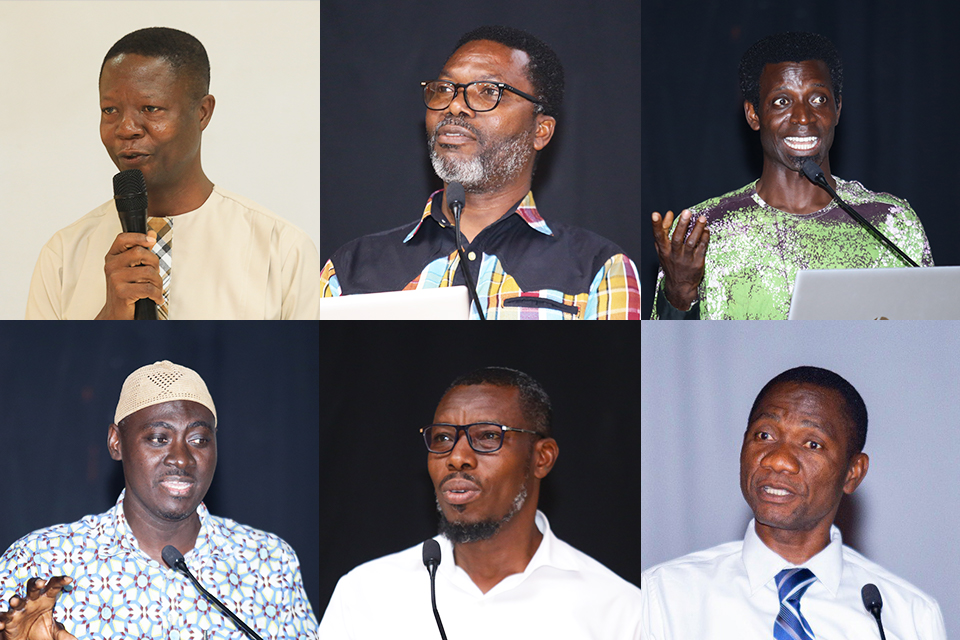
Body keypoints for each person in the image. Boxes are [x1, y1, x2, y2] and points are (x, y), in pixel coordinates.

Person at [320, 26, 640, 319]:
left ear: (540, 131)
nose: (455, 106)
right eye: (445, 88)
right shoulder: (351, 268)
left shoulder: (598, 268)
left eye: (488, 91)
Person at [0, 360, 319, 639]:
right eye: (158, 438)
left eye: (198, 440)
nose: (181, 458)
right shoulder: (40, 560)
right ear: (116, 443)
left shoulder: (269, 562)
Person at [320, 367, 641, 637]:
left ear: (542, 458)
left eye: (488, 436)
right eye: (443, 438)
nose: (457, 457)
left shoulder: (618, 609)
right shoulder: (366, 593)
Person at [26, 27, 321, 320]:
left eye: (150, 108)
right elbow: (38, 368)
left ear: (202, 112)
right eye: (110, 110)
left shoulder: (282, 250)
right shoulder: (63, 255)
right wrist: (110, 321)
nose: (126, 128)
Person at [640, 366, 945, 638]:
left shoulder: (909, 616)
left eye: (812, 443)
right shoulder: (663, 596)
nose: (778, 459)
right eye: (764, 435)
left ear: (853, 473)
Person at [650, 32, 933, 320]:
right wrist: (679, 294)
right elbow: (666, 356)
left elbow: (934, 341)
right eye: (782, 101)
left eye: (818, 98)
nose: (803, 117)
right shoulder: (704, 231)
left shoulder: (891, 223)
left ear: (837, 108)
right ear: (753, 115)